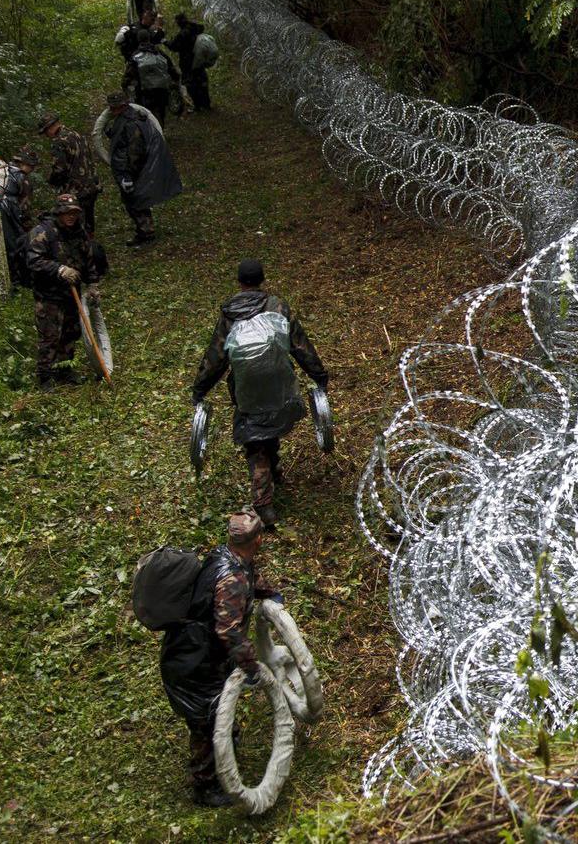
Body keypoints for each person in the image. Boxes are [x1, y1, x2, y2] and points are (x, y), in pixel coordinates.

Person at [191, 260, 330, 529]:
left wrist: (200, 388)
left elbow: (216, 357)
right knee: (272, 421)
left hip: (247, 385)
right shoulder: (278, 306)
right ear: (262, 280)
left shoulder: (230, 314)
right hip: (278, 380)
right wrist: (318, 375)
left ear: (240, 281)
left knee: (255, 439)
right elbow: (300, 345)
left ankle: (263, 502)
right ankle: (271, 481)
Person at [159, 508, 281, 807]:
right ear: (259, 541)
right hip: (195, 661)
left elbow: (245, 582)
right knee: (206, 719)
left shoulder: (222, 557)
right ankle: (205, 784)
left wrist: (269, 592)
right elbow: (229, 631)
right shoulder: (233, 578)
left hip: (192, 652)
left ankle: (226, 742)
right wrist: (251, 667)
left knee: (214, 712)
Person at [24, 194, 108, 388]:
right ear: (58, 213)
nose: (71, 217)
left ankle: (65, 369)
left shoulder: (79, 232)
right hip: (48, 295)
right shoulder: (42, 232)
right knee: (50, 335)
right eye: (67, 213)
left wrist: (93, 285)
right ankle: (45, 376)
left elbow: (88, 260)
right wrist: (59, 270)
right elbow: (34, 261)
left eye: (74, 213)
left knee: (71, 332)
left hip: (72, 293)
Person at [104, 89, 182, 246]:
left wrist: (128, 175)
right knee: (135, 200)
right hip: (131, 168)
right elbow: (121, 137)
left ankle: (146, 231)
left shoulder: (132, 123)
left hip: (136, 170)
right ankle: (145, 229)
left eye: (115, 107)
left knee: (135, 200)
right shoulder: (127, 118)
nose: (112, 110)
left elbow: (135, 153)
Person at [38, 112, 102, 237]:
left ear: (50, 127)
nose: (46, 135)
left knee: (76, 224)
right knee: (88, 220)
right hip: (91, 185)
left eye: (45, 132)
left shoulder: (59, 141)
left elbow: (59, 169)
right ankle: (90, 243)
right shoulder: (77, 135)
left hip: (76, 190)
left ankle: (84, 249)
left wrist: (52, 181)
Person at [124, 29, 181, 125]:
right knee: (161, 111)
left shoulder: (135, 55)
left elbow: (129, 74)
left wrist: (125, 85)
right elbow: (171, 69)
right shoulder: (160, 52)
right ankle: (160, 131)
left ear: (138, 40)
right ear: (149, 39)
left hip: (144, 91)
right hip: (161, 89)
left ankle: (148, 134)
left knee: (144, 113)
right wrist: (175, 81)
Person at [168, 13, 213, 112]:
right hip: (199, 59)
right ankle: (206, 104)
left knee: (191, 84)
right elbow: (201, 27)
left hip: (187, 62)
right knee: (202, 82)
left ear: (178, 22)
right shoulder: (195, 28)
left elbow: (173, 46)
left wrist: (165, 42)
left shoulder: (182, 34)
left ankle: (197, 106)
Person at [7, 146, 41, 232]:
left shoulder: (3, 171)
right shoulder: (22, 179)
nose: (32, 169)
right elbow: (25, 208)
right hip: (9, 221)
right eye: (32, 166)